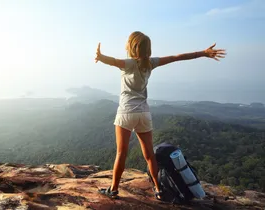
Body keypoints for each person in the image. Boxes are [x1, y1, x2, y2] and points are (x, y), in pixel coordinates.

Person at [95, 31, 226, 199]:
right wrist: (203, 53)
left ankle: (113, 190)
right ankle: (158, 190)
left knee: (121, 153)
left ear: (132, 47)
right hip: (143, 113)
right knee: (149, 155)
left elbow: (113, 61)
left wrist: (100, 56)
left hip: (126, 112)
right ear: (147, 49)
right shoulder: (151, 63)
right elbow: (176, 57)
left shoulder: (128, 63)